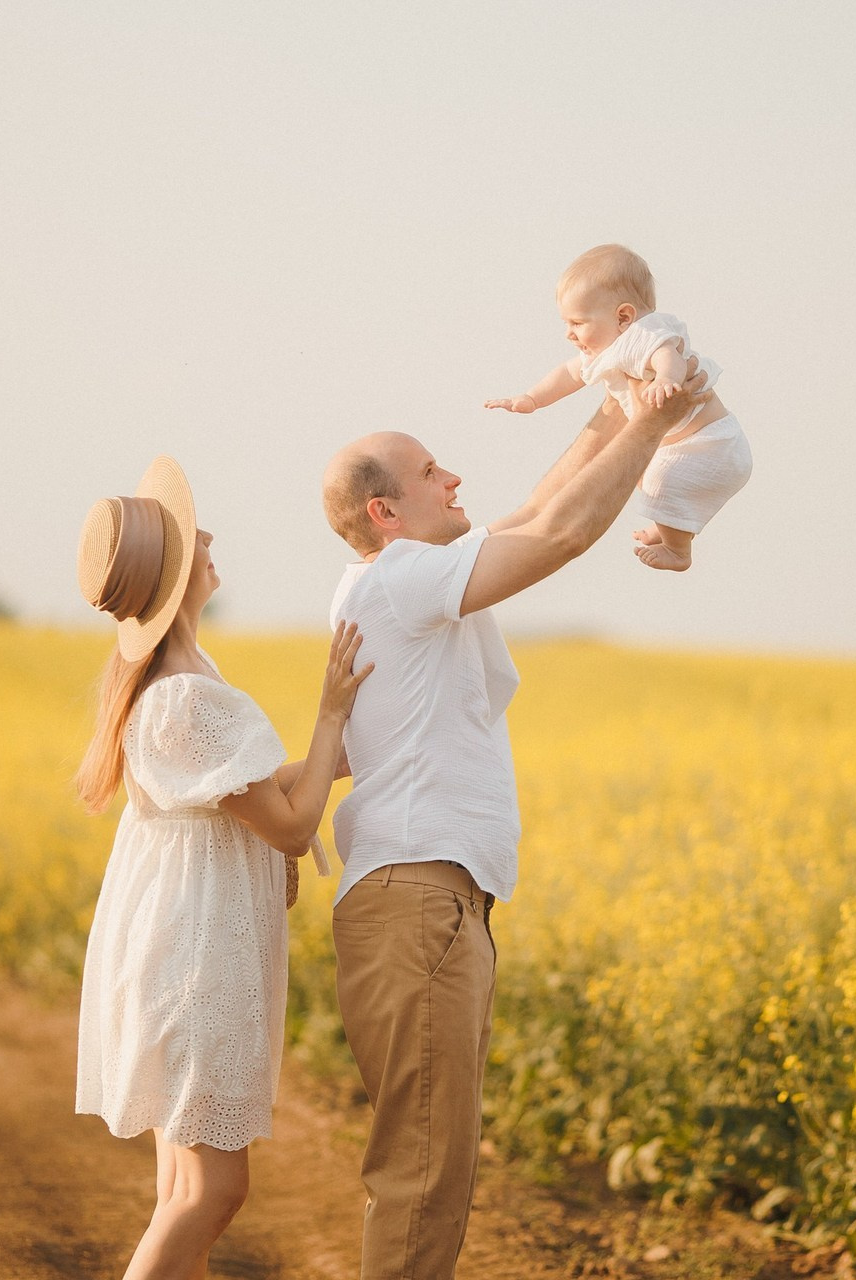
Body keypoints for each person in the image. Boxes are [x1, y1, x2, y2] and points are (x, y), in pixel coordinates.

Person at [320, 363, 711, 1278]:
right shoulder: (400, 581)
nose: (453, 478)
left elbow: (540, 509)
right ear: (386, 514)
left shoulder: (410, 580)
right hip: (419, 897)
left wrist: (618, 402)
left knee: (434, 1164)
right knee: (424, 1170)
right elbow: (566, 534)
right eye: (428, 473)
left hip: (436, 900)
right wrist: (655, 424)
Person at [73, 454, 372, 1280]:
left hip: (185, 953)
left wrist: (349, 745)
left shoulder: (183, 681)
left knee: (183, 1189)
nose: (209, 535)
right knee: (210, 1192)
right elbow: (288, 826)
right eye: (190, 532)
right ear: (171, 573)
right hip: (193, 963)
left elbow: (258, 790)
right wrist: (331, 712)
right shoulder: (182, 697)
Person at [485, 243, 752, 572]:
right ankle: (669, 526)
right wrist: (531, 398)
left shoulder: (641, 335)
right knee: (639, 474)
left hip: (708, 444)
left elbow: (665, 354)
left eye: (578, 322)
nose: (569, 334)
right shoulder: (605, 350)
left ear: (623, 316)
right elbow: (569, 375)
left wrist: (665, 378)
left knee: (659, 482)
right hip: (688, 446)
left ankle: (678, 550)